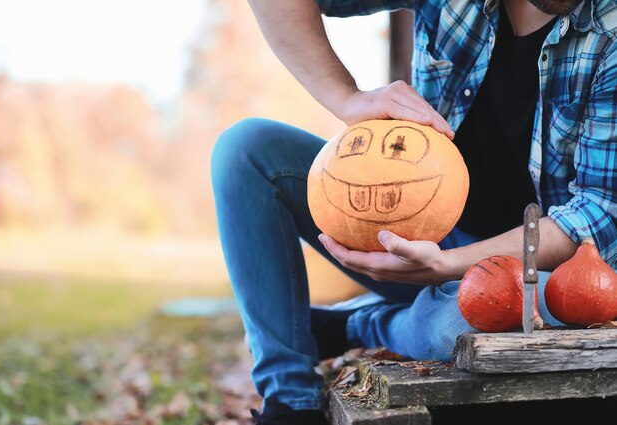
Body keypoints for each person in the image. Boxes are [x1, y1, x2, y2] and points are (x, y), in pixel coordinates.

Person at [210, 0, 617, 424]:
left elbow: (597, 214)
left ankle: (363, 325)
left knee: (477, 318)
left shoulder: (611, 32)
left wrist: (448, 266)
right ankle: (290, 403)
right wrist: (345, 98)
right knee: (246, 151)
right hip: (421, 234)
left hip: (539, 276)